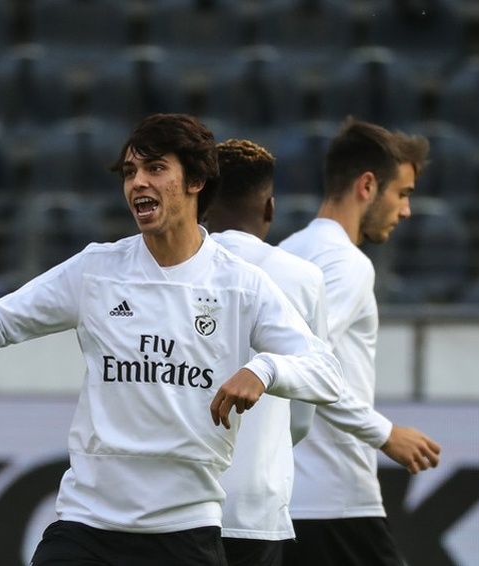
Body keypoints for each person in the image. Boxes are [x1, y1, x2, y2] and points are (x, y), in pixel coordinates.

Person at [0, 113, 344, 566]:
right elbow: (2, 318)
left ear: (196, 181)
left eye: (156, 168)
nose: (137, 182)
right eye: (130, 171)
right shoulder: (97, 270)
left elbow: (326, 372)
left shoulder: (241, 285)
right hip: (87, 526)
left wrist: (264, 368)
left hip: (185, 531)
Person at [279, 117, 442, 566]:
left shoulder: (286, 254)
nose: (406, 210)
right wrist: (385, 433)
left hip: (283, 500)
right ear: (367, 186)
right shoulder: (349, 264)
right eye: (403, 193)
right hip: (336, 500)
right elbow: (305, 365)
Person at [206, 138, 329, 566]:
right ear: (270, 208)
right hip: (257, 504)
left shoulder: (171, 268)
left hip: (175, 506)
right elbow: (303, 415)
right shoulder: (303, 277)